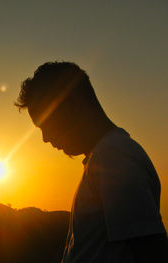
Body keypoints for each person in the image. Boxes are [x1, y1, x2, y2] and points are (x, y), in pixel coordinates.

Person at [15, 62, 168, 263]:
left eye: (45, 125)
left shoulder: (114, 156)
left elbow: (152, 252)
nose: (45, 138)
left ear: (70, 107)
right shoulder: (105, 156)